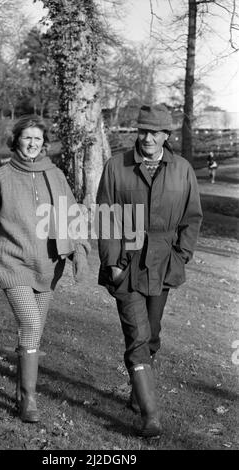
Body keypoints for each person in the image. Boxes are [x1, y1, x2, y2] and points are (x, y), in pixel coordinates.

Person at [0, 115, 90, 423]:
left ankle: (23, 390)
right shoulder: (2, 177)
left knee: (33, 332)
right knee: (31, 324)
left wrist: (79, 252)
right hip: (12, 262)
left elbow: (71, 216)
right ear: (16, 140)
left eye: (37, 139)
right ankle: (28, 399)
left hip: (48, 265)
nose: (32, 144)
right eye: (26, 138)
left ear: (43, 143)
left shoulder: (55, 174)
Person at [96, 104, 203, 438]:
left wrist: (181, 255)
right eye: (142, 131)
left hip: (163, 265)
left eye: (155, 132)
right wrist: (112, 263)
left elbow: (192, 217)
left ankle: (137, 392)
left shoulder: (182, 169)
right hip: (125, 264)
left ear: (166, 136)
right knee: (138, 337)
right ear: (136, 133)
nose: (148, 138)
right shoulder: (117, 166)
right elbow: (105, 216)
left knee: (151, 334)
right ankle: (151, 417)